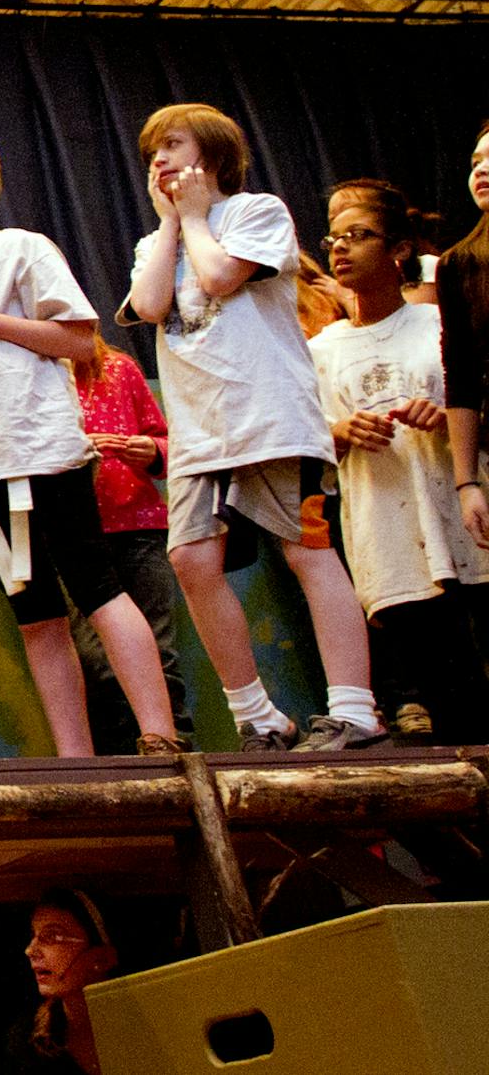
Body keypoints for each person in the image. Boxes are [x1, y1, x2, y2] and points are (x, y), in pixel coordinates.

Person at [0, 129, 182, 759]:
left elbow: (79, 340)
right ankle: (75, 760)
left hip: (40, 451)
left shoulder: (22, 248)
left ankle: (161, 735)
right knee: (36, 619)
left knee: (98, 589)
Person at [123, 103, 379, 751]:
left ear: (211, 155)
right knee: (190, 559)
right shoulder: (156, 244)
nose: (158, 160)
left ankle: (355, 710)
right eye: (152, 152)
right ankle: (257, 716)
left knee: (306, 550)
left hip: (272, 419)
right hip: (200, 434)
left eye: (172, 145)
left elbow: (218, 277)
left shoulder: (257, 212)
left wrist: (194, 218)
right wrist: (171, 224)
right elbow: (149, 305)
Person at [311, 181, 489, 742]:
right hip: (389, 535)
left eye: (358, 235)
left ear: (399, 249)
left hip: (463, 524)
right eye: (333, 239)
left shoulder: (438, 324)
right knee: (449, 701)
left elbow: (472, 399)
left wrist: (447, 416)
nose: (341, 248)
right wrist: (338, 433)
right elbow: (306, 450)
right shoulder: (321, 349)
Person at [68, 335, 192, 752]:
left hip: (140, 527)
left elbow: (167, 444)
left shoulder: (119, 370)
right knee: (95, 661)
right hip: (74, 535)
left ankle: (174, 748)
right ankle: (121, 759)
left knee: (159, 650)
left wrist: (151, 450)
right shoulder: (35, 376)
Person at [438, 122, 489, 557]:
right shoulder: (459, 265)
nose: (481, 171)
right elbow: (462, 377)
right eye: (475, 163)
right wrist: (467, 482)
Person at [6, 888, 122, 1074]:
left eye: (52, 936)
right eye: (34, 935)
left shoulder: (145, 1025)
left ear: (102, 958)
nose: (30, 950)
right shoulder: (27, 1042)